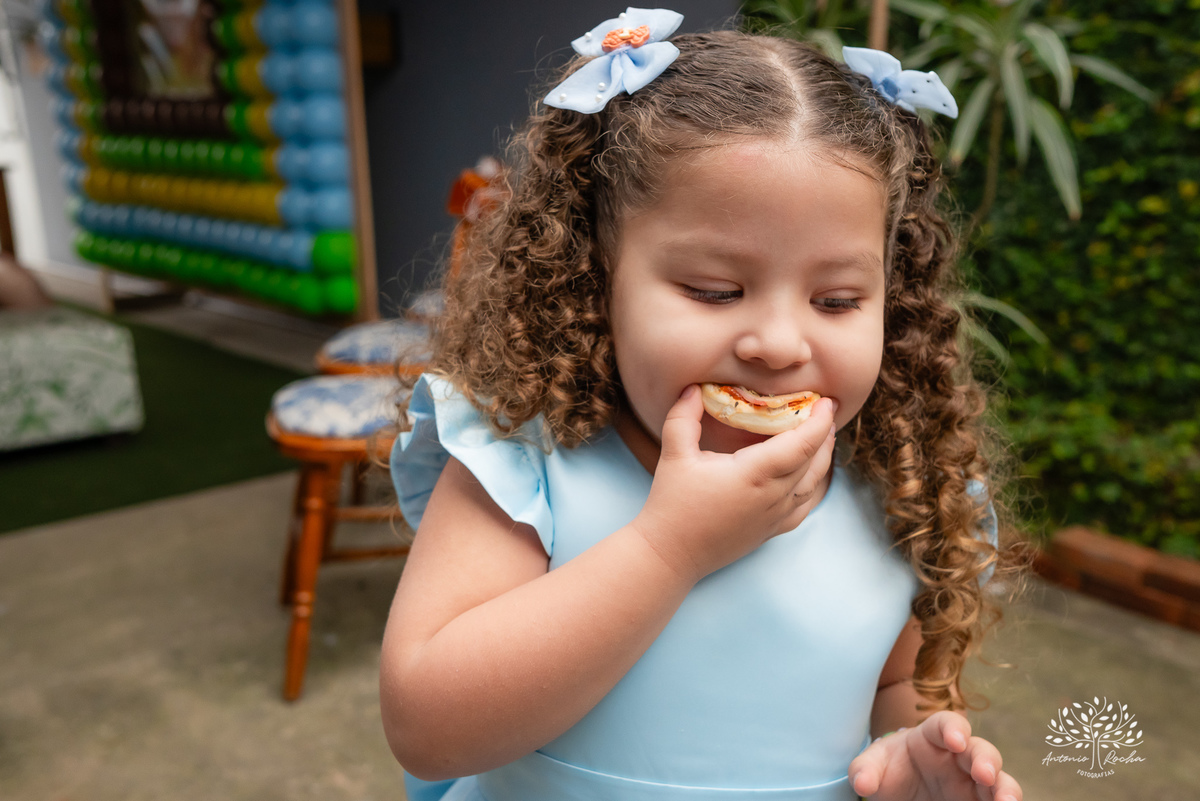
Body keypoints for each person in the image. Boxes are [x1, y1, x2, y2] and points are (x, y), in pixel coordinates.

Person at [380, 9, 1023, 801]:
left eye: (836, 299)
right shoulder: (522, 462)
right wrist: (669, 547)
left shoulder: (907, 489)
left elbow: (898, 689)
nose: (778, 343)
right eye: (715, 290)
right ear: (598, 274)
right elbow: (426, 728)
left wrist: (911, 759)